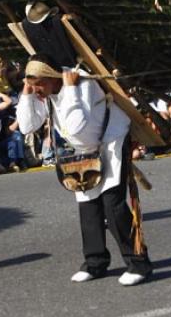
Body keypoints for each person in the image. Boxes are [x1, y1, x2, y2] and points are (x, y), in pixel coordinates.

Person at [16, 53, 152, 286]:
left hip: (110, 141)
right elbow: (28, 125)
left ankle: (138, 263)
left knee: (113, 205)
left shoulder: (83, 83)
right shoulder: (45, 90)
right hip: (84, 150)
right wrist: (27, 93)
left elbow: (77, 127)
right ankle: (95, 262)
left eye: (40, 83)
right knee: (88, 206)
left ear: (54, 78)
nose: (37, 89)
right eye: (33, 84)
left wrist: (71, 89)